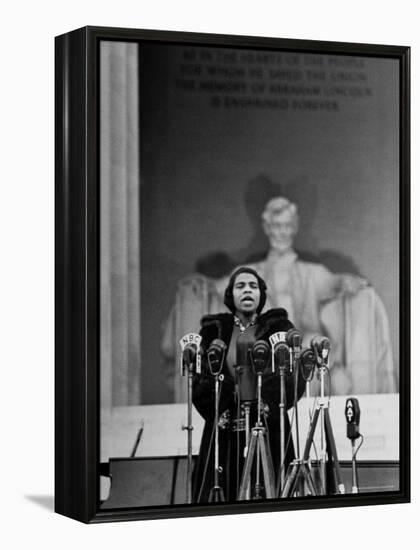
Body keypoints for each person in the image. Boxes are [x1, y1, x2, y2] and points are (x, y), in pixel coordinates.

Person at [162, 196, 395, 398]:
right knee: (251, 349)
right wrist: (203, 284)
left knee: (309, 347)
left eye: (286, 226)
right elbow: (221, 287)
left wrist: (346, 282)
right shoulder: (252, 271)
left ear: (294, 228)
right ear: (267, 228)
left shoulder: (308, 271)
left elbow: (332, 283)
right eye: (276, 226)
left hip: (299, 341)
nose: (281, 232)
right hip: (261, 343)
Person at [192, 267, 306, 502]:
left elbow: (293, 379)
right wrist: (223, 403)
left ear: (261, 294)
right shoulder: (213, 331)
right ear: (230, 294)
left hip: (268, 424)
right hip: (225, 428)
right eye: (240, 286)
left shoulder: (279, 328)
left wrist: (266, 403)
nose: (247, 291)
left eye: (253, 286)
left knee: (272, 492)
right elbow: (200, 380)